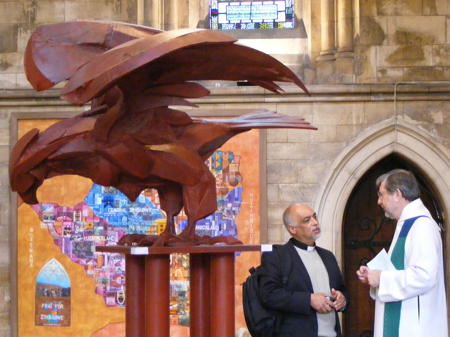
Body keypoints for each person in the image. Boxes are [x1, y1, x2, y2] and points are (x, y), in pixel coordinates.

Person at [356, 169, 447, 337]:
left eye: (382, 195)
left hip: (414, 326)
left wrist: (382, 278)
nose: (378, 201)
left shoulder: (422, 226)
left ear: (397, 194)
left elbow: (424, 276)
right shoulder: (406, 223)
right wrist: (373, 276)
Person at [259, 204, 348, 337]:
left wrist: (343, 299)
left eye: (315, 217)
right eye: (307, 220)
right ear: (292, 229)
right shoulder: (277, 255)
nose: (315, 223)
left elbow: (343, 290)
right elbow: (269, 295)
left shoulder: (328, 256)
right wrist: (309, 300)